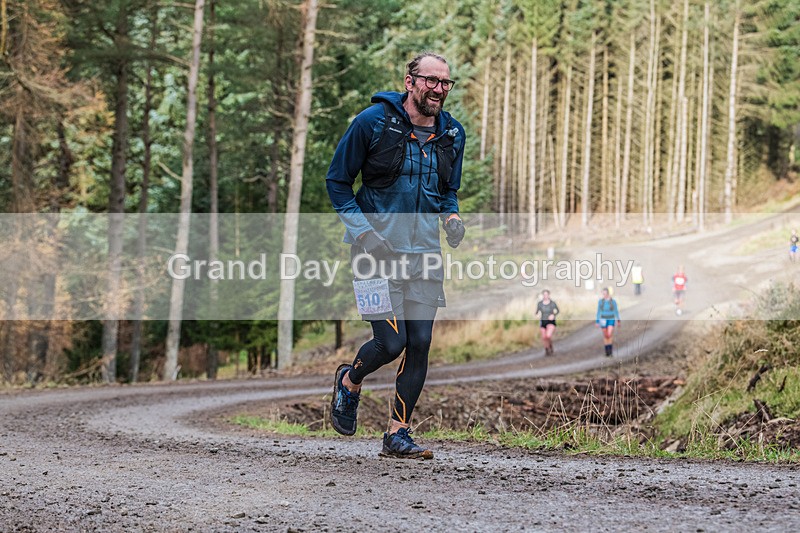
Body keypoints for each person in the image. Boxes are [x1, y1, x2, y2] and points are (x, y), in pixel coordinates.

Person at [325, 52, 466, 460]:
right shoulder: (372, 122)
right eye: (431, 81)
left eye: (445, 82)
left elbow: (448, 191)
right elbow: (337, 183)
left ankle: (397, 433)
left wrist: (452, 218)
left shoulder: (452, 134)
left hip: (424, 254)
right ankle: (350, 381)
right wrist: (364, 235)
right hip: (374, 254)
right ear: (410, 82)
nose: (438, 89)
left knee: (419, 343)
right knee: (390, 343)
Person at [596, 287, 620, 357]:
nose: (604, 295)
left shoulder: (613, 301)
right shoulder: (601, 302)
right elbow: (598, 312)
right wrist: (597, 321)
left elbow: (616, 311)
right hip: (603, 320)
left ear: (608, 293)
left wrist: (618, 320)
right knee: (605, 336)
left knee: (609, 334)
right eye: (603, 294)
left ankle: (610, 351)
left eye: (605, 294)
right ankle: (607, 352)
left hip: (611, 319)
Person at [536, 290, 559, 356]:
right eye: (544, 295)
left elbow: (557, 311)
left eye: (546, 294)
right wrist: (537, 315)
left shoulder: (552, 303)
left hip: (550, 321)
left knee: (548, 336)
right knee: (544, 337)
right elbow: (537, 312)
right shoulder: (540, 304)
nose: (545, 296)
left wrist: (553, 315)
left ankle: (550, 346)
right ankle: (547, 349)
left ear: (549, 295)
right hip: (543, 321)